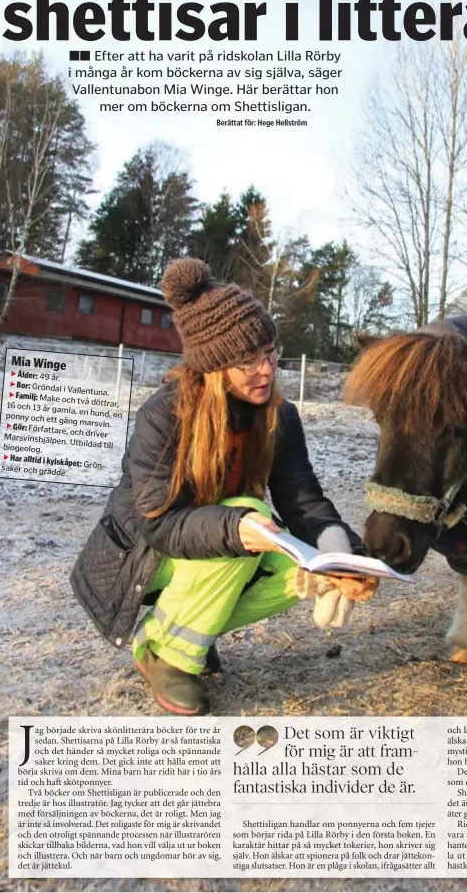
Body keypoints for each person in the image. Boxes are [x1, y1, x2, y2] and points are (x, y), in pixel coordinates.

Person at [71, 258, 377, 715]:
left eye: (271, 354)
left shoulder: (280, 417)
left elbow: (303, 498)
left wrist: (340, 555)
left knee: (301, 565)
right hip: (143, 561)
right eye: (247, 361)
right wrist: (238, 527)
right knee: (248, 514)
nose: (266, 370)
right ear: (214, 367)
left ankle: (191, 625)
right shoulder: (164, 415)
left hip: (211, 549)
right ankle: (165, 652)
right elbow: (158, 524)